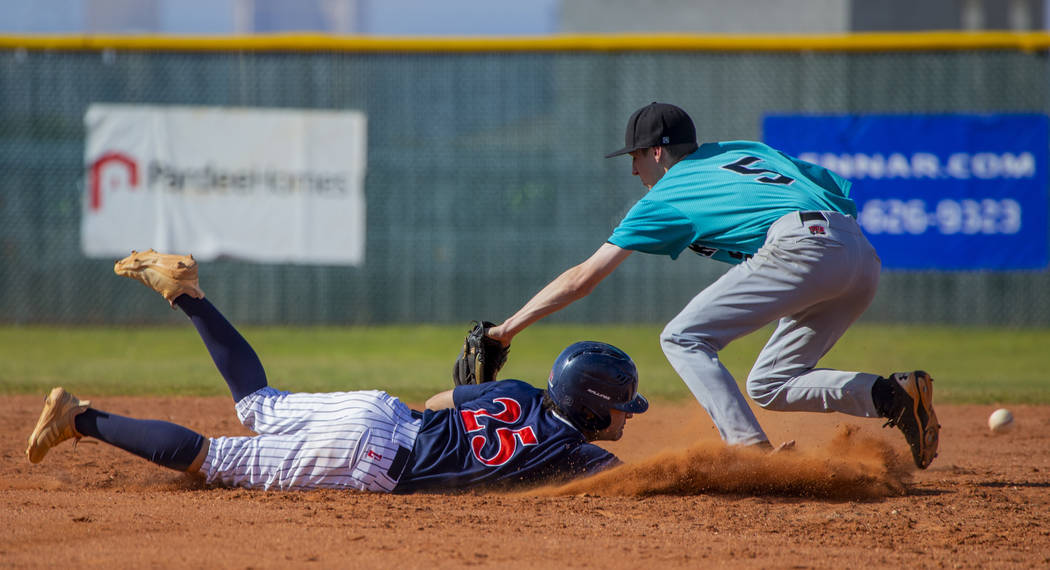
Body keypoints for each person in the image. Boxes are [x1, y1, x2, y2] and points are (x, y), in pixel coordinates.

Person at [484, 102, 939, 469]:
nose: (633, 169)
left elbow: (583, 278)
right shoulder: (742, 151)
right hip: (858, 252)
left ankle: (748, 453)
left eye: (636, 157)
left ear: (658, 153)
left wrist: (506, 330)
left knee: (682, 337)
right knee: (769, 384)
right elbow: (834, 190)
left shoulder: (666, 192)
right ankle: (892, 396)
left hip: (804, 246)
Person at [25, 250, 649, 493]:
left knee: (260, 404)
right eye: (623, 405)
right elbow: (642, 481)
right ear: (592, 406)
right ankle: (80, 419)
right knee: (215, 461)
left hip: (380, 413)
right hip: (374, 459)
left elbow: (437, 400)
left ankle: (188, 294)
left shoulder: (517, 390)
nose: (626, 414)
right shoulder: (575, 454)